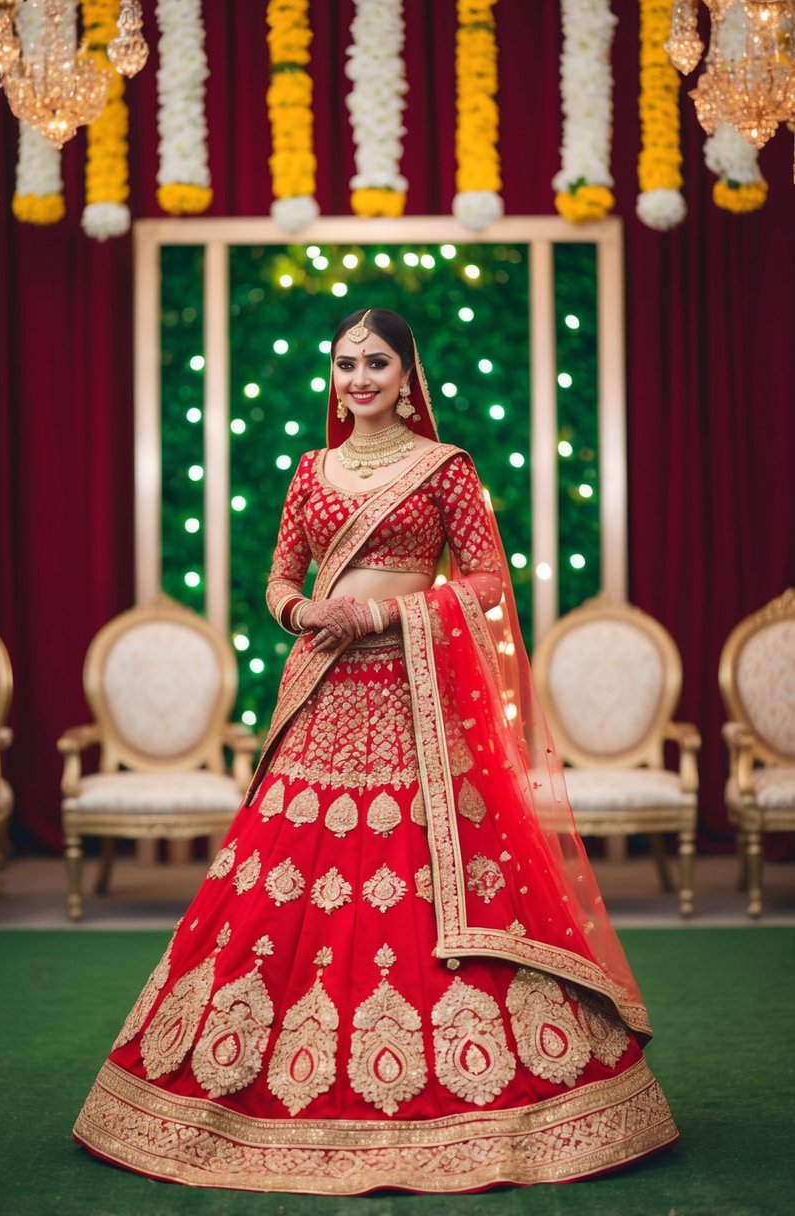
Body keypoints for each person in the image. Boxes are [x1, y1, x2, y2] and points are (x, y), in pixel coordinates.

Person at [73, 307, 678, 1193]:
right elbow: (280, 575)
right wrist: (296, 612)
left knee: (428, 871)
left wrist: (380, 611)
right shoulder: (311, 471)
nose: (358, 378)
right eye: (346, 363)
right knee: (284, 876)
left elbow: (483, 582)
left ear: (407, 377)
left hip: (416, 703)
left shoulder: (444, 470)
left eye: (377, 363)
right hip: (323, 692)